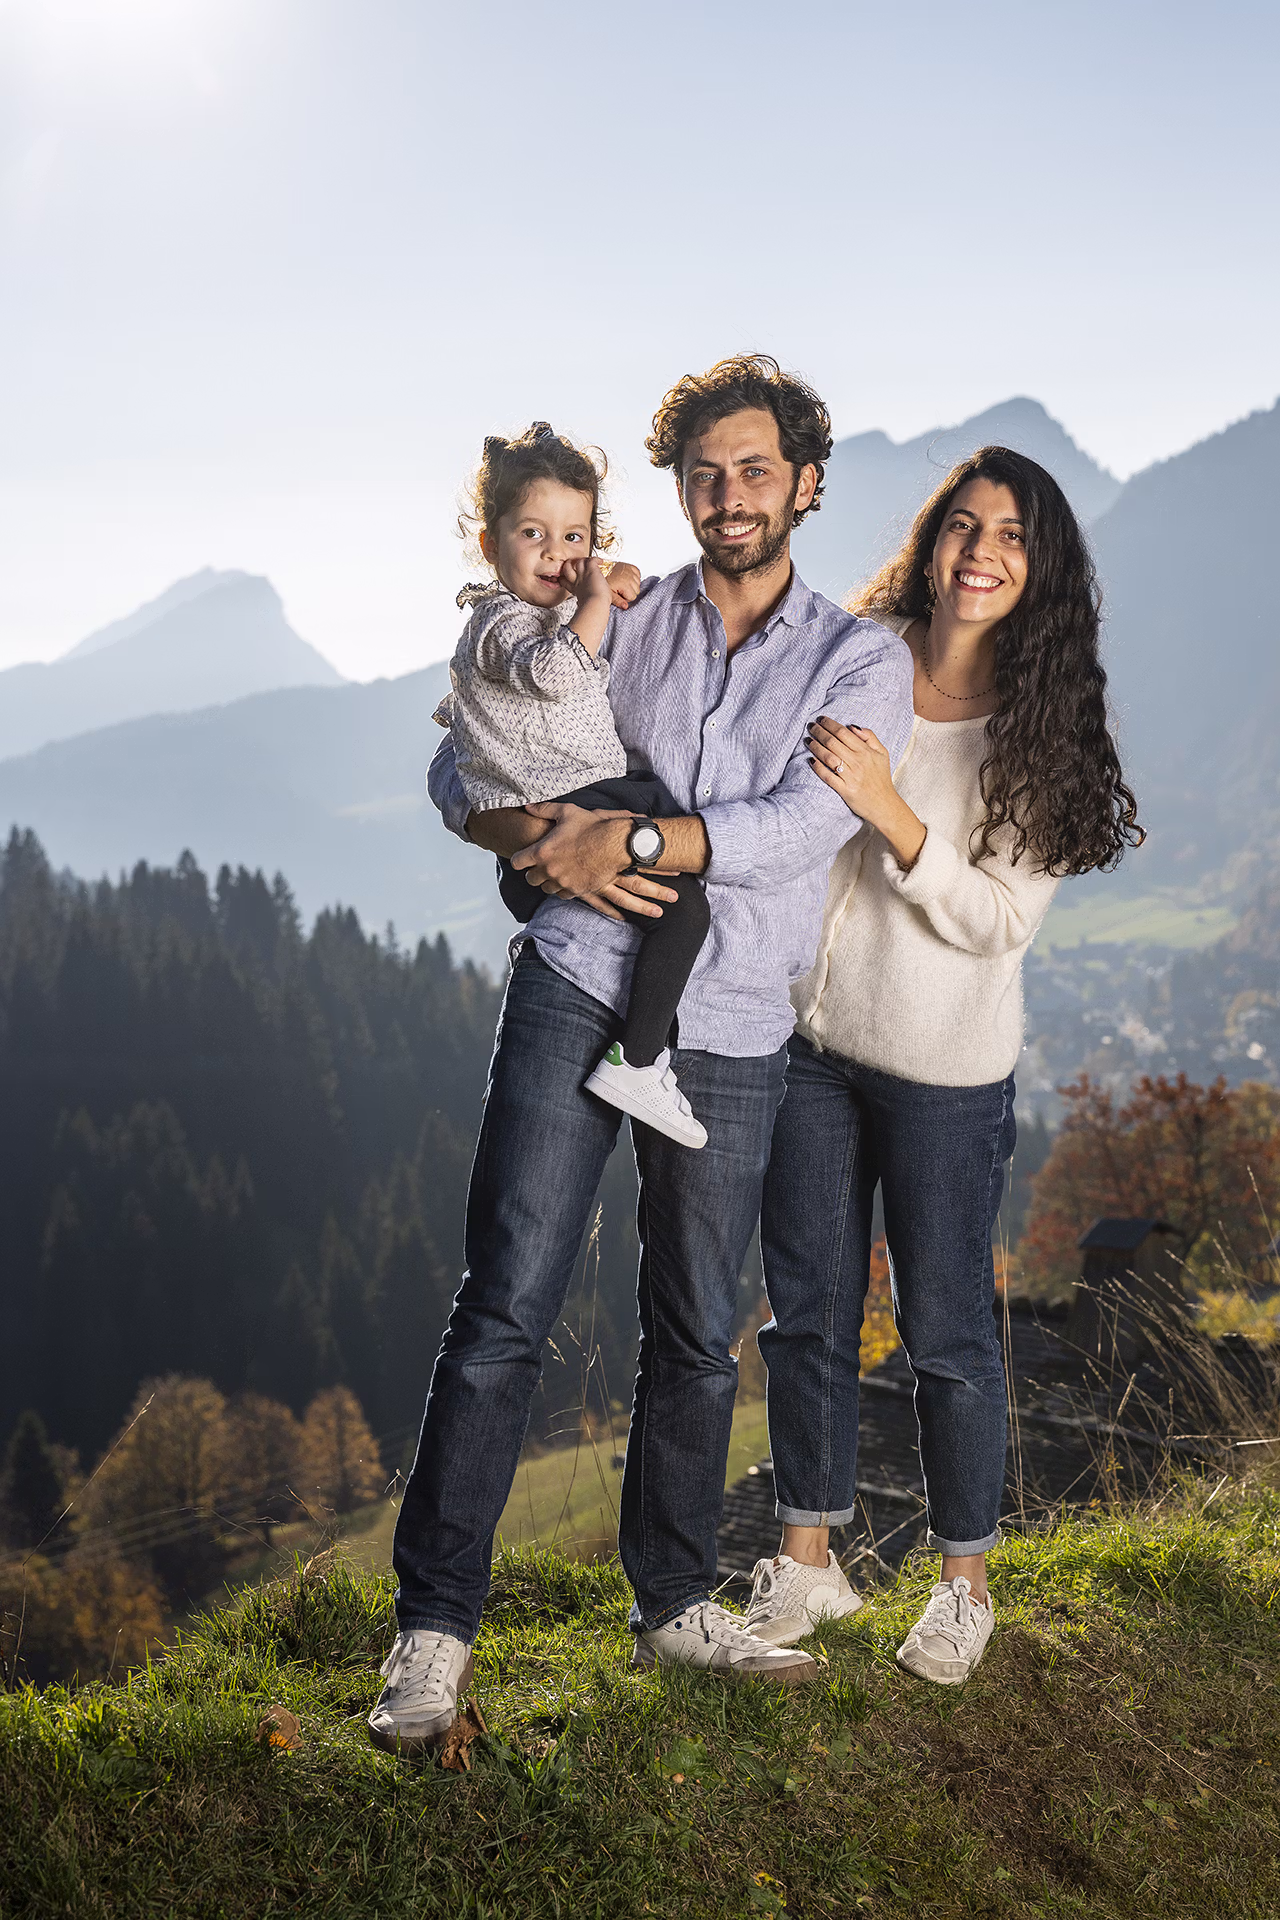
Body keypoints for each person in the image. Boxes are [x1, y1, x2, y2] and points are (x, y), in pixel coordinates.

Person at [367, 355, 914, 1754]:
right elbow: (463, 759)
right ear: (678, 489)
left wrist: (648, 839)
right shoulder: (622, 610)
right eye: (704, 474)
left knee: (692, 1334)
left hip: (729, 1027)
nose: (727, 496)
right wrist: (539, 841)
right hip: (574, 984)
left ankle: (671, 1602)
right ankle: (433, 1633)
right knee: (506, 1305)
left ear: (804, 482)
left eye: (753, 470)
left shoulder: (857, 660)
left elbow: (802, 825)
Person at [745, 447, 1142, 1683]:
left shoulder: (1044, 727)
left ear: (1041, 570)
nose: (979, 551)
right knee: (803, 1313)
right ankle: (807, 1568)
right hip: (807, 1046)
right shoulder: (857, 654)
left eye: (1010, 535)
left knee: (946, 1331)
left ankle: (962, 1581)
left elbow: (997, 922)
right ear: (928, 542)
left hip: (942, 1076)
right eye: (961, 525)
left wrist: (887, 806)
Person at [436, 419, 711, 1147]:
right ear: (491, 544)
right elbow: (558, 670)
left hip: (570, 814)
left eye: (576, 538)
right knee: (686, 902)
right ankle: (642, 1061)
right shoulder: (497, 625)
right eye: (534, 535)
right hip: (566, 813)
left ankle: (645, 1049)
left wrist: (605, 580)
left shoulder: (537, 614)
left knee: (675, 885)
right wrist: (595, 596)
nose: (557, 555)